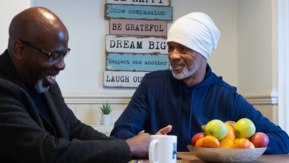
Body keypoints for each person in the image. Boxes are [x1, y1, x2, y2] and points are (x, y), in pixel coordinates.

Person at [111, 12, 289, 154]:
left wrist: (236, 144)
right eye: (170, 47)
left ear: (203, 52)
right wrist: (151, 142)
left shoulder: (227, 96)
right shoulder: (152, 85)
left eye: (183, 48)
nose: (173, 55)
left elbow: (282, 140)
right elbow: (120, 131)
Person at [0, 7, 152, 163]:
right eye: (54, 55)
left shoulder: (44, 82)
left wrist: (132, 146)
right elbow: (44, 152)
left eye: (64, 55)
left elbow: (76, 130)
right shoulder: (3, 89)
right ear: (19, 50)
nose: (62, 65)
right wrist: (128, 148)